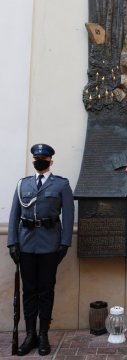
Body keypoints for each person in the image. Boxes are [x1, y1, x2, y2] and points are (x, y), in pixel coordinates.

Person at [7, 144, 74, 356]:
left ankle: (43, 333)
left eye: (44, 158)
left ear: (51, 161)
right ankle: (30, 335)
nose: (40, 160)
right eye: (37, 158)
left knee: (46, 291)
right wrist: (12, 242)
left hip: (49, 245)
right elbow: (14, 216)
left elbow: (69, 216)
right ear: (33, 160)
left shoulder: (61, 185)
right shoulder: (23, 184)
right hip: (26, 244)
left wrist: (64, 244)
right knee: (29, 292)